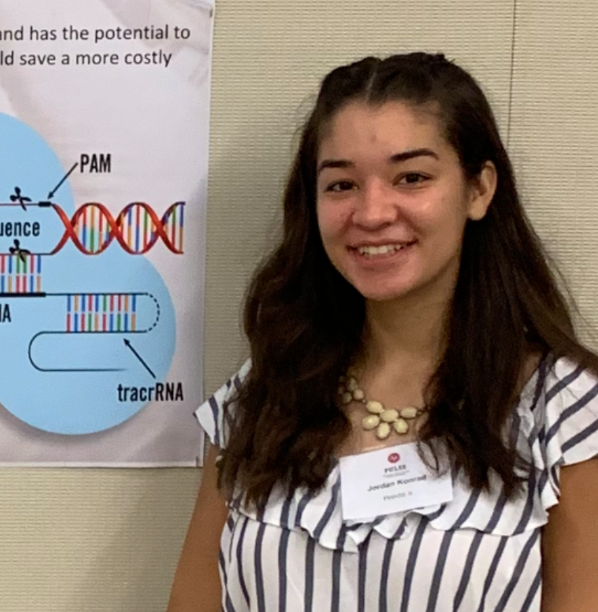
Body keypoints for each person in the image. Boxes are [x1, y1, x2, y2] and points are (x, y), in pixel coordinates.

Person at [167, 52, 598, 612]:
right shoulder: (261, 398)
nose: (371, 213)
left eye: (411, 177)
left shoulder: (563, 409)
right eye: (341, 184)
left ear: (478, 189)